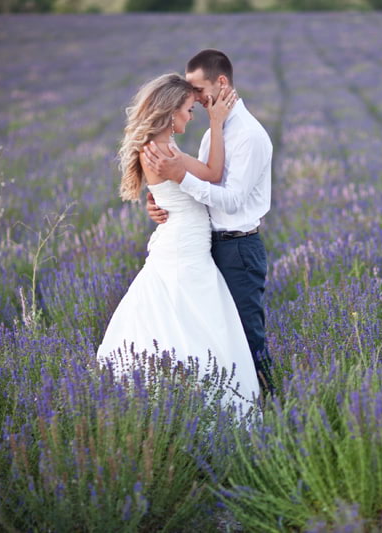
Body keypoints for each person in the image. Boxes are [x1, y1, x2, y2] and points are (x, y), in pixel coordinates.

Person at [97, 72, 260, 414]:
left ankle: (181, 397)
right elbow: (214, 174)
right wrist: (217, 123)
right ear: (171, 112)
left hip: (183, 242)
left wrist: (158, 202)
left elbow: (175, 190)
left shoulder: (161, 148)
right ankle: (196, 400)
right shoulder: (161, 150)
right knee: (195, 321)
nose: (191, 115)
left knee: (184, 319)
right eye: (188, 109)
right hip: (185, 248)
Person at [142, 49, 275, 396]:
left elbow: (231, 199)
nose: (195, 99)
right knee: (217, 337)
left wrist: (179, 178)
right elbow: (198, 188)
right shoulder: (212, 134)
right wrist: (160, 199)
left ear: (222, 82)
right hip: (206, 247)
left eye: (199, 90)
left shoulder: (249, 135)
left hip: (237, 247)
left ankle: (272, 408)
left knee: (246, 336)